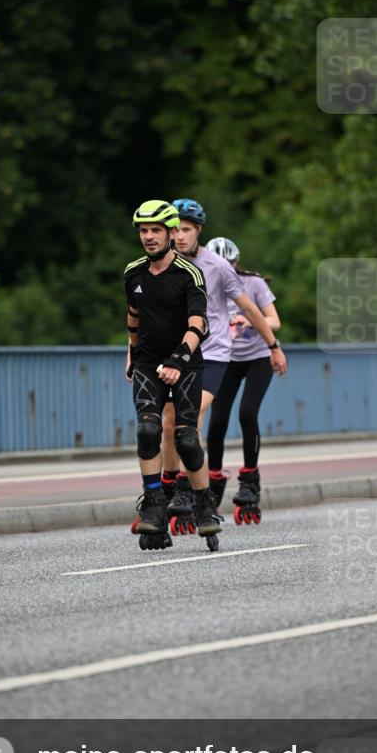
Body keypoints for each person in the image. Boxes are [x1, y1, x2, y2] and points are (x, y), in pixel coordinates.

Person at [161, 199, 287, 519]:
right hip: (182, 352)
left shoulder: (223, 270)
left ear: (198, 231)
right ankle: (180, 488)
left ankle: (214, 488)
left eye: (185, 229)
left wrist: (273, 345)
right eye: (174, 229)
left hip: (222, 353)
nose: (178, 235)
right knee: (176, 423)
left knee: (229, 415)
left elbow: (253, 310)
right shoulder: (163, 264)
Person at [124, 199, 222, 544]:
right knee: (148, 431)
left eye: (155, 231)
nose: (148, 237)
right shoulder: (133, 273)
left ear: (169, 233)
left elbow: (199, 323)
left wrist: (179, 359)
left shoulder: (188, 274)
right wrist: (132, 354)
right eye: (143, 231)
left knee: (186, 439)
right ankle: (152, 507)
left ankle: (204, 505)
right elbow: (133, 316)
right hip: (148, 363)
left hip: (186, 363)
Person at [205, 236, 284, 521]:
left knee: (247, 413)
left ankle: (250, 482)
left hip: (258, 357)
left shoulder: (253, 283)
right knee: (217, 420)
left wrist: (250, 321)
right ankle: (213, 480)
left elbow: (274, 319)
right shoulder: (204, 285)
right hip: (224, 358)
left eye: (232, 265)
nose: (227, 271)